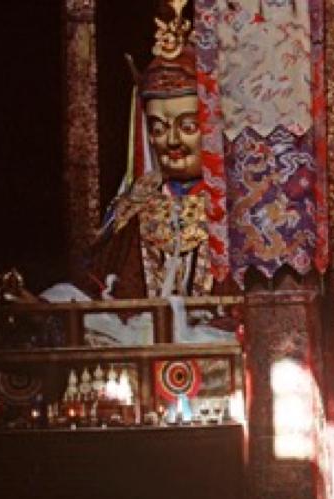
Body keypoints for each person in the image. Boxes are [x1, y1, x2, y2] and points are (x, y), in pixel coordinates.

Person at [87, 0, 217, 299]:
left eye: (188, 127)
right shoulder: (135, 206)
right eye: (159, 128)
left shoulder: (236, 207)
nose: (172, 141)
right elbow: (98, 289)